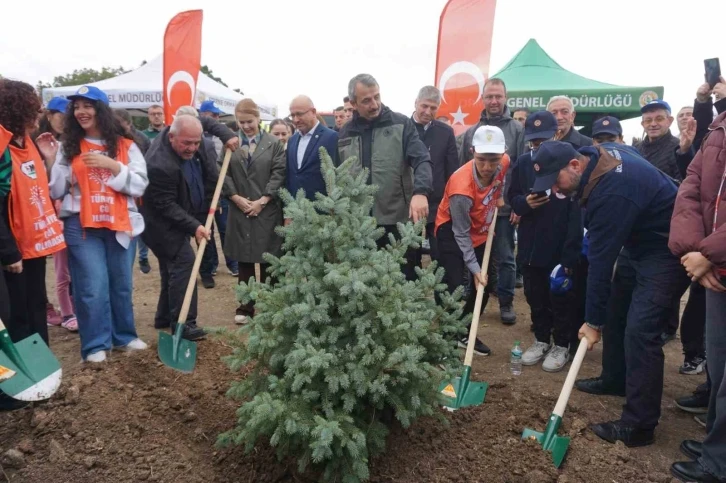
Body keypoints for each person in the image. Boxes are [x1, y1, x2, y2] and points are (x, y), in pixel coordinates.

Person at [532, 140, 689, 447]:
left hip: (666, 247)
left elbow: (600, 265)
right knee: (616, 312)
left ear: (574, 166)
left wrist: (591, 322)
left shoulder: (612, 192)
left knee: (641, 330)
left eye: (555, 181)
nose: (554, 190)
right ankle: (615, 378)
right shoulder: (596, 154)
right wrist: (601, 318)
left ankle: (639, 425)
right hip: (639, 237)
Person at [47, 85, 149, 362]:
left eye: (87, 106)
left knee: (121, 284)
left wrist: (114, 166)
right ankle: (95, 345)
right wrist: (56, 162)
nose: (81, 111)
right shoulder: (68, 147)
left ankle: (124, 336)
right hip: (82, 226)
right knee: (92, 286)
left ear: (101, 110)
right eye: (77, 107)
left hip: (120, 225)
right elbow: (55, 190)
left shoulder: (127, 146)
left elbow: (140, 185)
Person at [668, 108, 726, 483]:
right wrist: (694, 249)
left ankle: (719, 463)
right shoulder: (720, 124)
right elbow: (692, 184)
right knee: (719, 367)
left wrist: (708, 253)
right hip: (716, 271)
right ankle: (716, 443)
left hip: (715, 259)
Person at [338, 74, 432, 281]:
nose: (374, 104)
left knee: (403, 279)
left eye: (377, 97)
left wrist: (420, 192)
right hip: (358, 225)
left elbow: (422, 159)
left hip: (397, 222)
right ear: (353, 103)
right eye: (366, 100)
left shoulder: (401, 124)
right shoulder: (345, 133)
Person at [509, 111, 581, 372]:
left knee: (560, 299)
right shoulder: (523, 164)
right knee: (534, 296)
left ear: (556, 135)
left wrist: (569, 257)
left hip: (558, 248)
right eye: (533, 142)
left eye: (542, 141)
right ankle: (541, 339)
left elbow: (576, 219)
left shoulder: (568, 168)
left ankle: (562, 344)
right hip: (530, 247)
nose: (537, 147)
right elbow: (512, 199)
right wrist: (524, 204)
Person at [0, 79, 67, 348]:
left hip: (34, 242)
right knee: (15, 312)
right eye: (35, 109)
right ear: (17, 110)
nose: (40, 115)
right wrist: (8, 251)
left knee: (37, 303)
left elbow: (36, 188)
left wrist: (48, 159)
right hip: (12, 248)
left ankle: (44, 365)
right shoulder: (2, 149)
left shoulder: (26, 142)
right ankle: (17, 382)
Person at [435, 126, 510, 356]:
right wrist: (474, 268)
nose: (488, 167)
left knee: (482, 286)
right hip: (451, 230)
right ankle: (446, 335)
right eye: (481, 160)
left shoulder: (504, 161)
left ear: (503, 153)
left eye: (493, 160)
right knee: (454, 285)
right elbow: (460, 233)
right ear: (471, 152)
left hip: (480, 227)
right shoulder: (461, 188)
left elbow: (500, 180)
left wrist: (497, 197)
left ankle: (466, 331)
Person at [142, 115, 216, 341]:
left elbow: (206, 122)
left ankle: (164, 316)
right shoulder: (160, 164)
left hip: (171, 220)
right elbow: (166, 206)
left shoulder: (174, 134)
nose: (192, 148)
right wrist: (194, 226)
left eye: (196, 143)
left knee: (170, 268)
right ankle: (184, 324)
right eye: (187, 143)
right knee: (184, 263)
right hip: (160, 225)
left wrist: (228, 136)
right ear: (172, 137)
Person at [458, 78, 524, 324]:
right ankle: (472, 294)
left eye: (498, 96)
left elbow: (521, 169)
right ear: (483, 99)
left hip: (504, 207)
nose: (494, 101)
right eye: (489, 96)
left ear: (505, 97)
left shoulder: (517, 130)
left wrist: (516, 203)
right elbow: (463, 168)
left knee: (506, 255)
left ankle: (505, 301)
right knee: (473, 253)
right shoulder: (471, 132)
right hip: (477, 209)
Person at [222, 99, 286, 324]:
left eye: (249, 121)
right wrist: (235, 197)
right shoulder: (231, 144)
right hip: (240, 210)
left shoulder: (273, 144)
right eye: (241, 122)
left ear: (258, 119)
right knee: (245, 260)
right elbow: (223, 172)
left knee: (268, 259)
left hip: (266, 210)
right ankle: (246, 307)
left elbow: (279, 172)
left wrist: (264, 199)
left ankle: (269, 305)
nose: (246, 126)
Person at [174, 106, 239, 287]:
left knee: (205, 235)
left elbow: (212, 174)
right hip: (179, 200)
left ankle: (207, 271)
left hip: (201, 199)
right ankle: (184, 273)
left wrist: (214, 200)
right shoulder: (170, 146)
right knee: (180, 239)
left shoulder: (206, 145)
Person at [33, 96, 78, 332]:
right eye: (62, 115)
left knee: (74, 267)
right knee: (59, 270)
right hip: (46, 215)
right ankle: (56, 309)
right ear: (49, 116)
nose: (66, 121)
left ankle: (72, 309)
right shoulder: (37, 144)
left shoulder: (71, 142)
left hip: (66, 214)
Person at [411, 86, 458, 264]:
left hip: (438, 205)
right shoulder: (402, 129)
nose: (428, 111)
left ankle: (442, 291)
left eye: (433, 108)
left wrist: (450, 201)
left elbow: (452, 170)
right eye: (424, 106)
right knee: (410, 255)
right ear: (416, 103)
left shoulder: (445, 132)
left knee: (440, 254)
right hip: (409, 203)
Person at [285, 96, 339, 204]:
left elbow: (337, 175)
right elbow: (291, 176)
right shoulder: (292, 140)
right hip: (296, 211)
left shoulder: (332, 137)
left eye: (300, 114)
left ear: (313, 112)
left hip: (323, 212)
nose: (296, 119)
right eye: (293, 115)